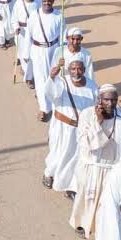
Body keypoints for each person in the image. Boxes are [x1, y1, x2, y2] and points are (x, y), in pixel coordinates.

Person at [70, 84, 121, 239]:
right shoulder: (87, 115)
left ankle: (105, 238)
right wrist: (98, 122)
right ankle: (84, 224)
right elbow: (86, 143)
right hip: (90, 167)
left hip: (112, 169)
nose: (110, 104)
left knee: (107, 206)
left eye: (113, 100)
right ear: (99, 99)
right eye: (106, 100)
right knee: (86, 200)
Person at [42, 55, 97, 196]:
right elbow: (51, 94)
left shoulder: (92, 86)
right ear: (68, 70)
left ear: (84, 70)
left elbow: (96, 107)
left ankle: (70, 186)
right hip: (62, 128)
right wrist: (52, 78)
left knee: (76, 157)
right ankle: (49, 173)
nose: (76, 72)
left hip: (81, 129)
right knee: (59, 154)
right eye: (73, 69)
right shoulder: (62, 82)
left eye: (79, 68)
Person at [27, 0, 65, 115]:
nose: (47, 3)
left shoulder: (59, 15)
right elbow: (29, 34)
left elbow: (63, 35)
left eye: (49, 1)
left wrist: (62, 53)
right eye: (44, 1)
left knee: (54, 76)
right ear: (41, 2)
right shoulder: (34, 15)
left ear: (53, 2)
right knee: (40, 78)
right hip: (37, 50)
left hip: (54, 50)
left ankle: (55, 104)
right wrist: (27, 53)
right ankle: (44, 108)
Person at [11, 0, 41, 88]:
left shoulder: (38, 3)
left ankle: (29, 75)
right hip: (22, 32)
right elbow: (13, 17)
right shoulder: (19, 3)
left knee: (31, 54)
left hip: (33, 31)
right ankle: (28, 77)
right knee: (24, 54)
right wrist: (16, 27)